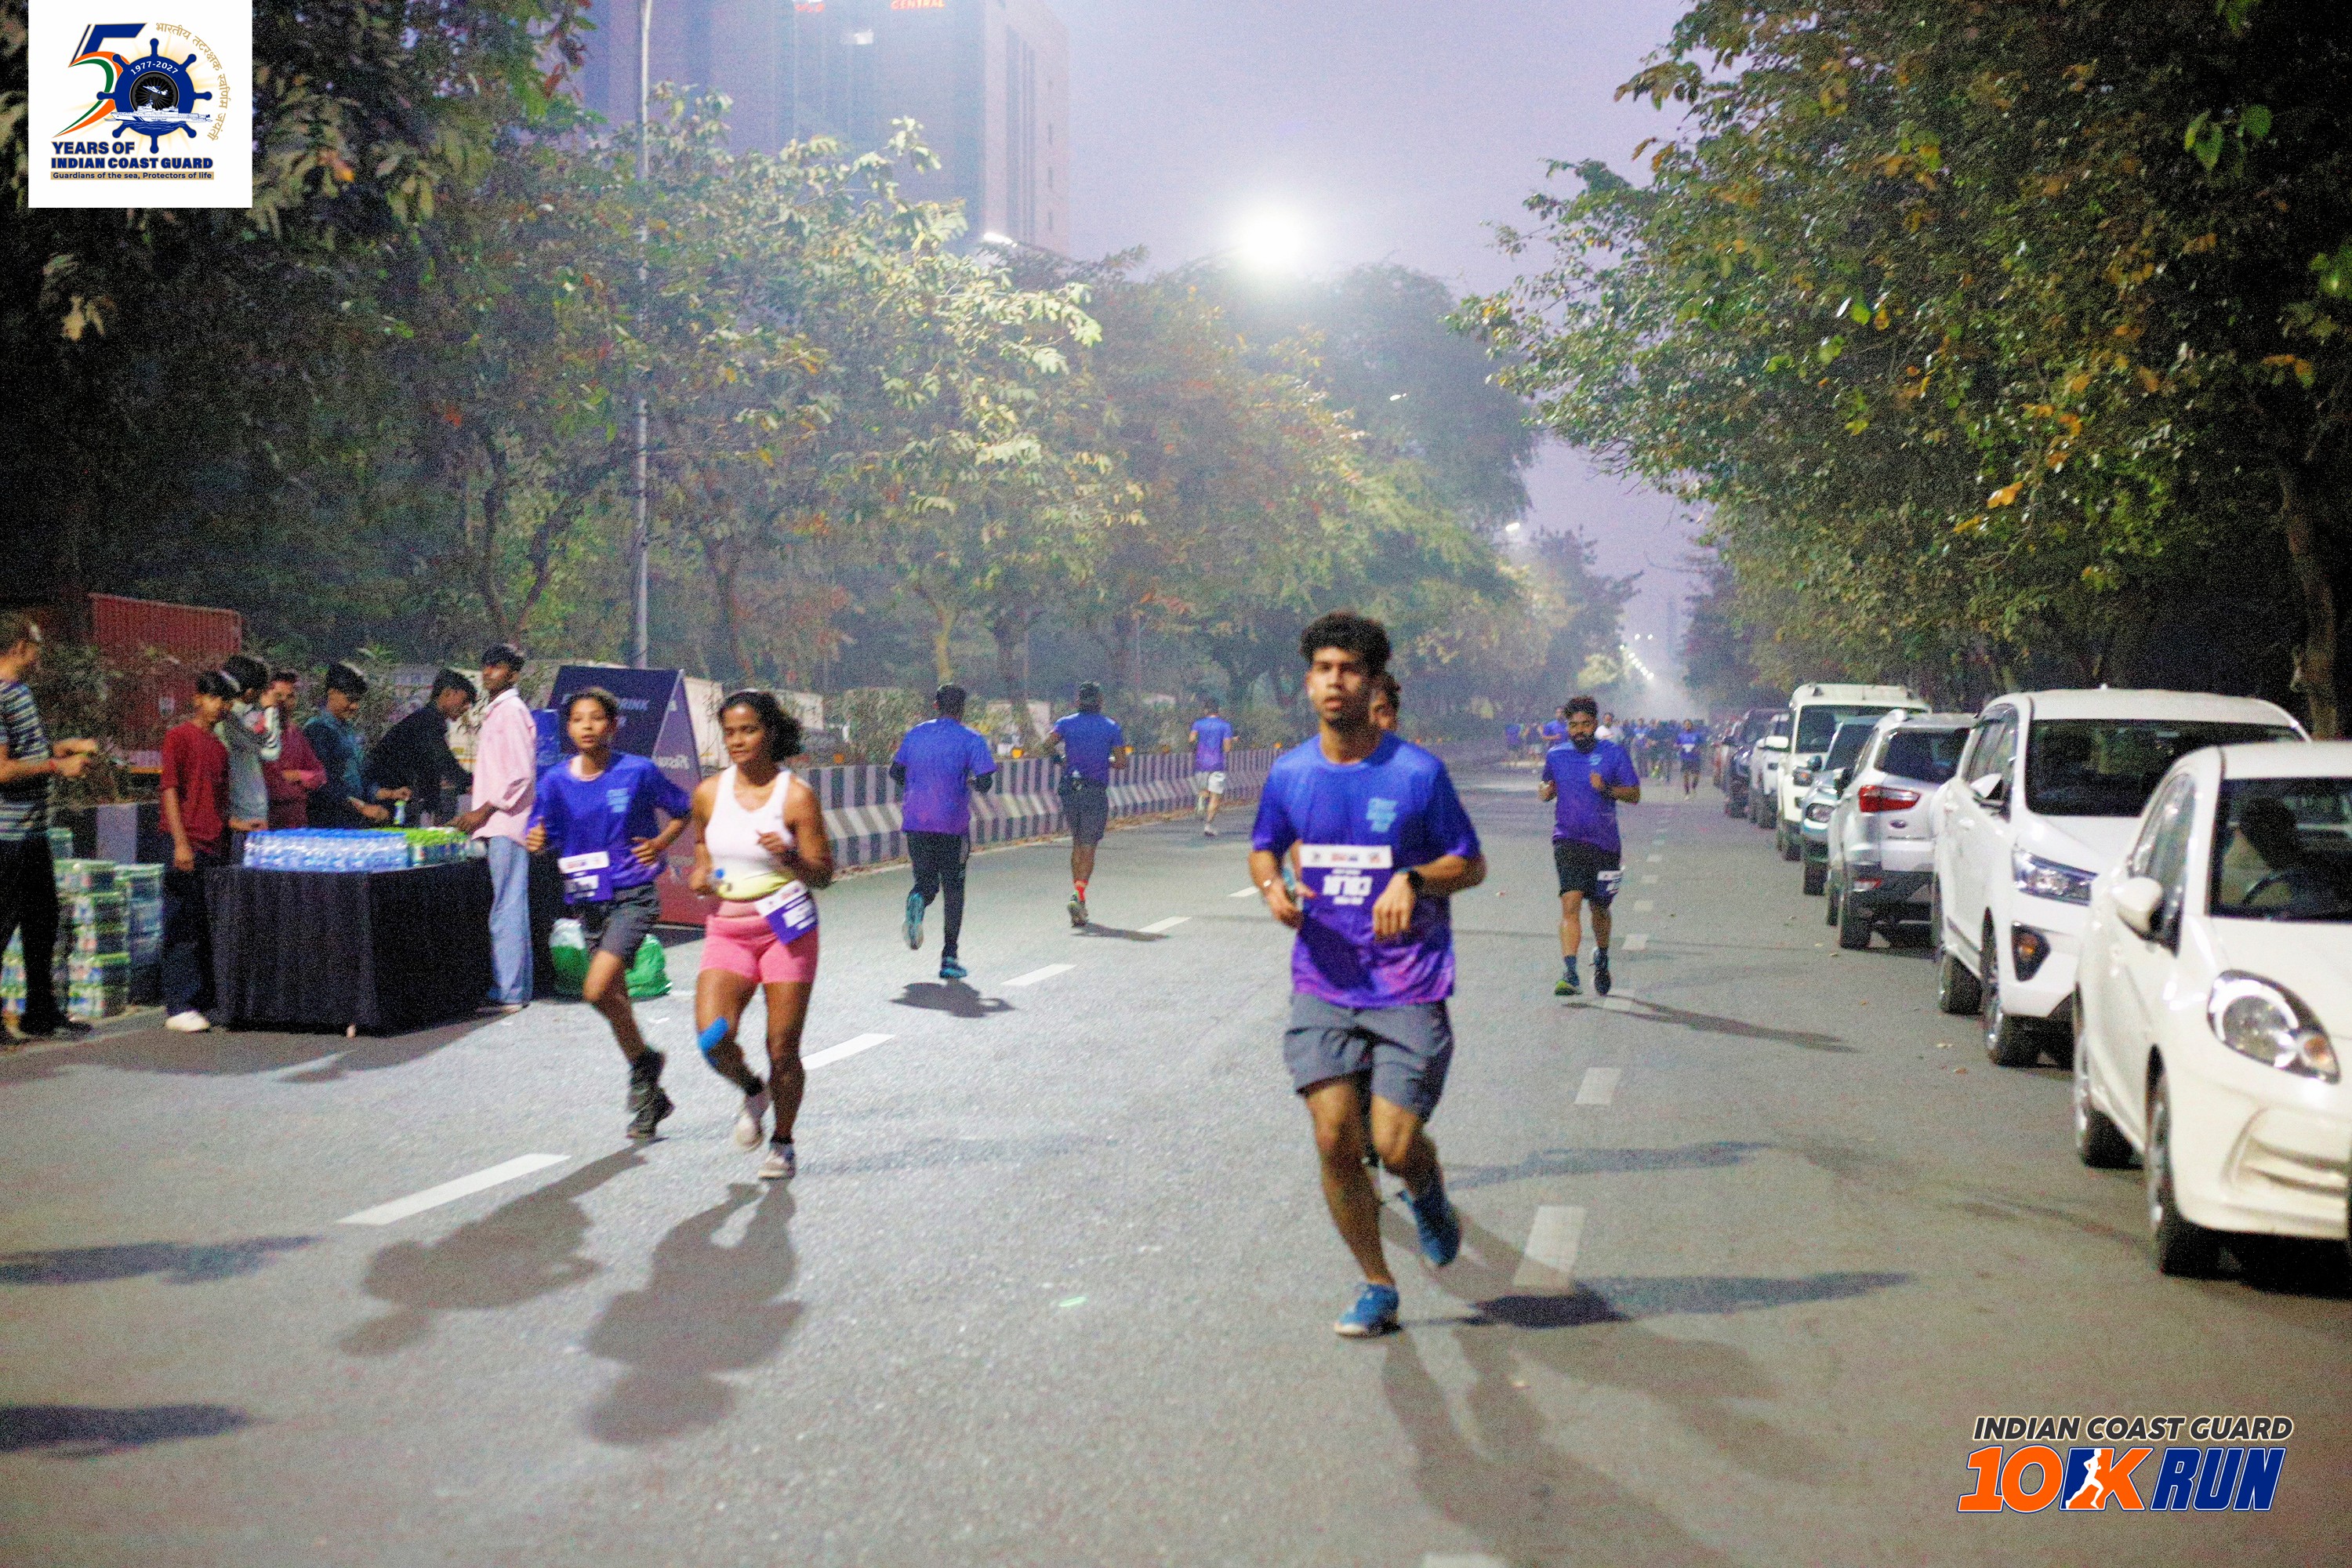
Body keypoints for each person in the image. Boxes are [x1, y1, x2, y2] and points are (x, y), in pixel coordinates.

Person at [1250, 612, 1486, 1338]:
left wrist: (1412, 880)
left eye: (1350, 670)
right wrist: (1272, 888)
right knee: (1333, 1138)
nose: (1335, 682)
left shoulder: (1418, 774)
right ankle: (1376, 1283)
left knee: (1393, 1144)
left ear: (1374, 682)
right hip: (1323, 981)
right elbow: (1265, 846)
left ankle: (1426, 1190)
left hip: (1407, 985)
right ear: (1308, 681)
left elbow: (1470, 862)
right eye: (1324, 669)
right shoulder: (1291, 772)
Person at [526, 689, 694, 1141]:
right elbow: (542, 832)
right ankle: (650, 1085)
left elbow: (684, 810)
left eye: (596, 718)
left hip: (633, 895)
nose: (587, 726)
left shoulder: (637, 771)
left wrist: (659, 844)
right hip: (587, 900)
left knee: (597, 989)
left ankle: (644, 1066)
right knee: (613, 1001)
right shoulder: (555, 782)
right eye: (577, 719)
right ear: (568, 728)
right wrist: (536, 841)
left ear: (613, 725)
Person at [688, 691, 834, 1181]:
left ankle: (784, 1142)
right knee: (713, 1037)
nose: (737, 741)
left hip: (785, 931)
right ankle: (753, 1090)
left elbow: (823, 874)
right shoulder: (709, 793)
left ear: (769, 732)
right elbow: (703, 851)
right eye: (729, 732)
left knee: (782, 1047)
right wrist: (700, 874)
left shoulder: (795, 796)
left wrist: (788, 856)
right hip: (728, 930)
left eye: (748, 730)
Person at [0, 614, 101, 1040]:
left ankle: (41, 1011)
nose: (41, 653)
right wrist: (58, 766)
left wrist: (62, 748)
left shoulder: (20, 693)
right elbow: (3, 770)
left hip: (33, 829)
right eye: (37, 644)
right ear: (20, 647)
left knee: (43, 920)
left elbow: (28, 751)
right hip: (7, 835)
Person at [891, 684, 996, 980]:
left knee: (926, 882)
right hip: (952, 823)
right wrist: (967, 783)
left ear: (936, 705)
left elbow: (896, 772)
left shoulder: (916, 734)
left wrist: (920, 784)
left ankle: (918, 898)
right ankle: (949, 957)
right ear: (962, 708)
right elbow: (985, 782)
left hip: (916, 820)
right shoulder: (972, 738)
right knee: (953, 888)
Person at [451, 645, 536, 1011]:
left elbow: (519, 774)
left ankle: (510, 989)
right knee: (510, 904)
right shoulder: (499, 711)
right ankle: (517, 986)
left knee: (507, 906)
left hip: (505, 822)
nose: (488, 672)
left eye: (497, 667)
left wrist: (481, 812)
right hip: (500, 822)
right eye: (485, 666)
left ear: (513, 674)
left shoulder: (511, 712)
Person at [1541, 695, 1641, 998]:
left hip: (1605, 844)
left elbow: (1634, 794)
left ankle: (1602, 956)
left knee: (1599, 908)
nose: (1580, 730)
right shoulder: (1556, 755)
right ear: (1567, 727)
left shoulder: (1614, 754)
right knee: (1570, 902)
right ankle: (1570, 972)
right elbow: (1547, 786)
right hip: (1567, 839)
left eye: (1585, 724)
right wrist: (1545, 792)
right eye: (1574, 725)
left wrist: (1607, 789)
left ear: (1595, 724)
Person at [160, 670, 237, 1033]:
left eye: (226, 700)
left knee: (205, 926)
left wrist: (236, 827)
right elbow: (170, 790)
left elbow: (219, 803)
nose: (221, 706)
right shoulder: (179, 737)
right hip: (186, 843)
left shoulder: (220, 748)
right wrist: (180, 842)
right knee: (183, 926)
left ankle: (202, 1000)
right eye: (215, 698)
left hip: (214, 845)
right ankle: (179, 1005)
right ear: (198, 699)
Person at [1042, 681, 1127, 928]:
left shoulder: (1065, 723)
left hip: (1070, 790)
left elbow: (1046, 745)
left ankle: (1078, 899)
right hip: (1094, 792)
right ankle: (1078, 895)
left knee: (1077, 842)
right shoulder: (1111, 727)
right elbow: (1121, 762)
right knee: (1089, 846)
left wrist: (1060, 759)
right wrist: (1103, 760)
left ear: (1077, 702)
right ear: (1100, 702)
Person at [368, 670, 475, 824]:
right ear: (448, 693)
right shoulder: (426, 721)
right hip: (383, 799)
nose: (467, 707)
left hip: (397, 798)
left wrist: (434, 805)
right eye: (464, 701)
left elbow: (430, 768)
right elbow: (443, 760)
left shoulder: (426, 720)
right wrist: (469, 783)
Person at [304, 662, 401, 828]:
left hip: (351, 820)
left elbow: (359, 774)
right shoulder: (317, 730)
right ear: (332, 693)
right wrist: (362, 807)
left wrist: (387, 794)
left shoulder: (348, 730)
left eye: (358, 701)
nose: (355, 706)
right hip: (330, 823)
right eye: (350, 700)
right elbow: (324, 783)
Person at [217, 655, 279, 844]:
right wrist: (271, 710)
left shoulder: (243, 716)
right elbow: (271, 752)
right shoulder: (234, 720)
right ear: (251, 692)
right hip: (243, 816)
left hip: (248, 812)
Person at [261, 670, 325, 829]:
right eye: (278, 696)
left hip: (297, 818)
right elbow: (269, 779)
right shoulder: (259, 731)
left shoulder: (295, 733)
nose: (283, 702)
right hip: (268, 818)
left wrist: (297, 775)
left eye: (290, 696)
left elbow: (320, 774)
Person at [1189, 698, 1236, 837]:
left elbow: (1191, 740)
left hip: (1200, 763)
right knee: (1215, 797)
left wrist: (1197, 749)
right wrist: (1232, 741)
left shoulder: (1198, 724)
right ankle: (1208, 826)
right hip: (1217, 764)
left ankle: (1201, 801)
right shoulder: (1225, 726)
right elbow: (1227, 748)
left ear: (1205, 710)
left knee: (1204, 790)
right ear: (1218, 710)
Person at [1677, 720, 1705, 797]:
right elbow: (1676, 744)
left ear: (1691, 725)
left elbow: (1703, 744)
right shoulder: (1681, 735)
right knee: (1685, 775)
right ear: (1683, 726)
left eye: (1689, 724)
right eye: (1686, 724)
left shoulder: (1697, 735)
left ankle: (1693, 787)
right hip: (1685, 758)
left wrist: (1698, 749)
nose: (1687, 726)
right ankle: (1687, 793)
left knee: (1696, 775)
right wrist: (1679, 747)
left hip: (1695, 758)